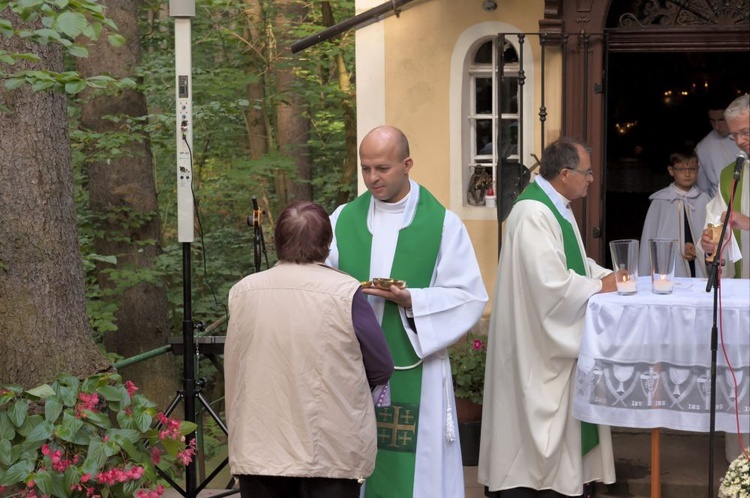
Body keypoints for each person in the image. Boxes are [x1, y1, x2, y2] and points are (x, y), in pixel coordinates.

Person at [327, 125, 488, 498]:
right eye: (365, 168)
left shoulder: (443, 224)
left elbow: (468, 296)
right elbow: (324, 283)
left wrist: (412, 300)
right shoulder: (342, 220)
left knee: (419, 471)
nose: (371, 178)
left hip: (418, 369)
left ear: (407, 164)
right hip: (356, 371)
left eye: (381, 168)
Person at [224, 201, 394, 498]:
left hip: (259, 445)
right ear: (327, 243)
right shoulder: (345, 292)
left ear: (277, 242)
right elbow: (381, 366)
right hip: (329, 447)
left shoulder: (243, 292)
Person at [479, 138, 618, 498]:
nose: (591, 179)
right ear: (565, 173)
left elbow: (571, 263)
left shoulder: (558, 205)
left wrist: (608, 276)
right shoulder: (533, 213)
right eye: (587, 173)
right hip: (534, 346)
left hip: (545, 339)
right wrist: (600, 287)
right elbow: (550, 285)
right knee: (532, 436)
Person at [698, 94, 750, 463]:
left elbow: (741, 221)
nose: (740, 141)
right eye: (734, 136)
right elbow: (718, 219)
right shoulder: (735, 174)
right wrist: (710, 242)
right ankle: (741, 474)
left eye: (746, 132)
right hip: (742, 296)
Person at [638, 148, 710, 278]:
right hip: (669, 268)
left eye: (692, 169)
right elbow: (650, 237)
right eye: (682, 169)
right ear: (671, 171)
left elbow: (712, 236)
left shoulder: (704, 200)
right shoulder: (660, 201)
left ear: (697, 170)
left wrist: (698, 250)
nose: (687, 174)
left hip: (698, 266)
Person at [695, 92, 741, 198]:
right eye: (712, 121)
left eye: (721, 120)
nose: (717, 127)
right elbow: (703, 191)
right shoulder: (703, 148)